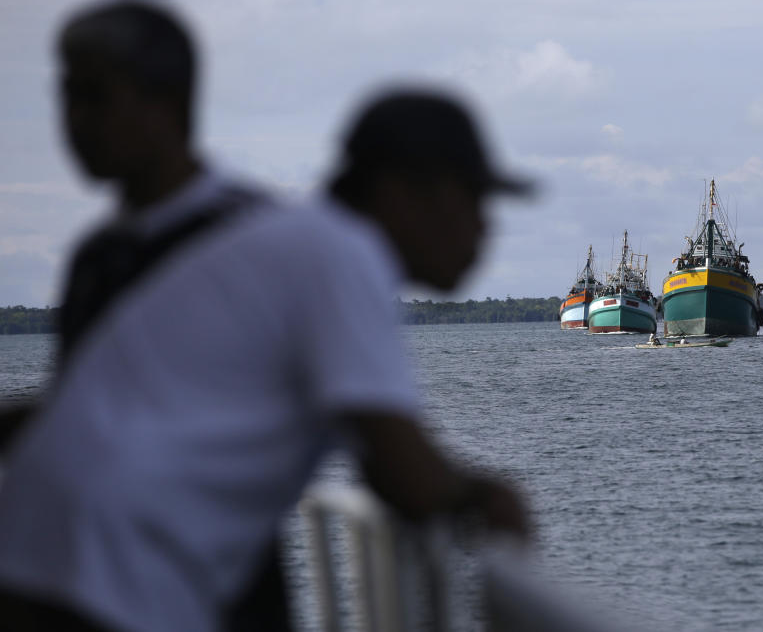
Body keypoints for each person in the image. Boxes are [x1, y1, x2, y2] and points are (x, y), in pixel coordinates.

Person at [0, 87, 528, 632]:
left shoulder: (291, 242)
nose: (485, 227)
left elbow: (377, 456)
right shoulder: (342, 255)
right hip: (100, 576)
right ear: (402, 193)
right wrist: (487, 495)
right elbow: (404, 471)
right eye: (473, 197)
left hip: (53, 553)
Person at [0, 0, 286, 631]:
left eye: (93, 95)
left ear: (168, 102)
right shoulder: (97, 258)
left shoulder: (253, 245)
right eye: (65, 95)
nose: (71, 120)